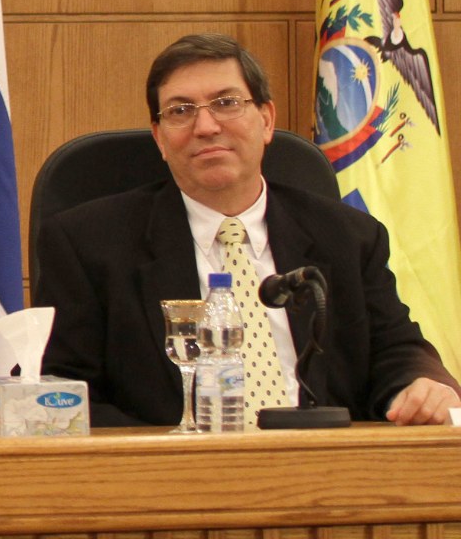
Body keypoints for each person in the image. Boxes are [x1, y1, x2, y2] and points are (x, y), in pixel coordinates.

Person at [35, 32, 459, 427]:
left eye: (226, 103)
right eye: (180, 111)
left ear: (267, 120)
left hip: (330, 475)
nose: (206, 127)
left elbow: (396, 350)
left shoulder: (350, 237)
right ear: (160, 138)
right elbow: (62, 390)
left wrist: (419, 385)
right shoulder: (87, 244)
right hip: (172, 484)